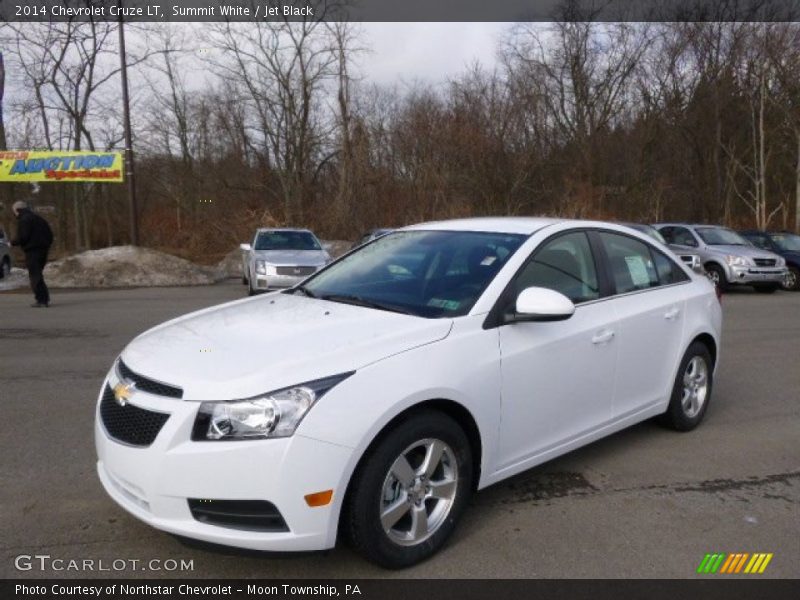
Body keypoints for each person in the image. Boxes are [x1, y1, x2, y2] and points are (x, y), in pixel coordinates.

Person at [10, 200, 53, 307]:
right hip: (44, 250)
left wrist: (12, 242)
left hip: (32, 251)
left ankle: (42, 300)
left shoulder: (24, 220)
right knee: (38, 274)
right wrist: (46, 245)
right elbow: (50, 234)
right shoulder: (39, 219)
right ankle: (44, 298)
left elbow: (23, 237)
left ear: (17, 210)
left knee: (35, 275)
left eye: (14, 212)